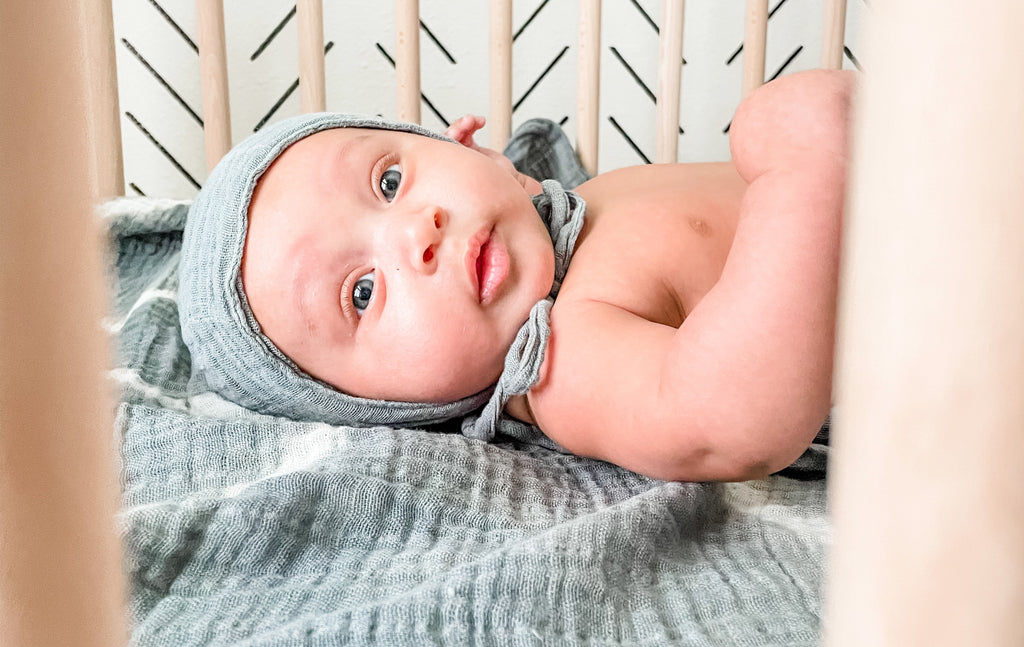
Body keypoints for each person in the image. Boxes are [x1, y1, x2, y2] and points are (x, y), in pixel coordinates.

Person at [178, 68, 853, 482]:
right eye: (362, 292)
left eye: (389, 181)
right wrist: (806, 174)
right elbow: (725, 422)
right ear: (381, 412)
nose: (418, 231)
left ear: (471, 148)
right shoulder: (563, 361)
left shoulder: (590, 209)